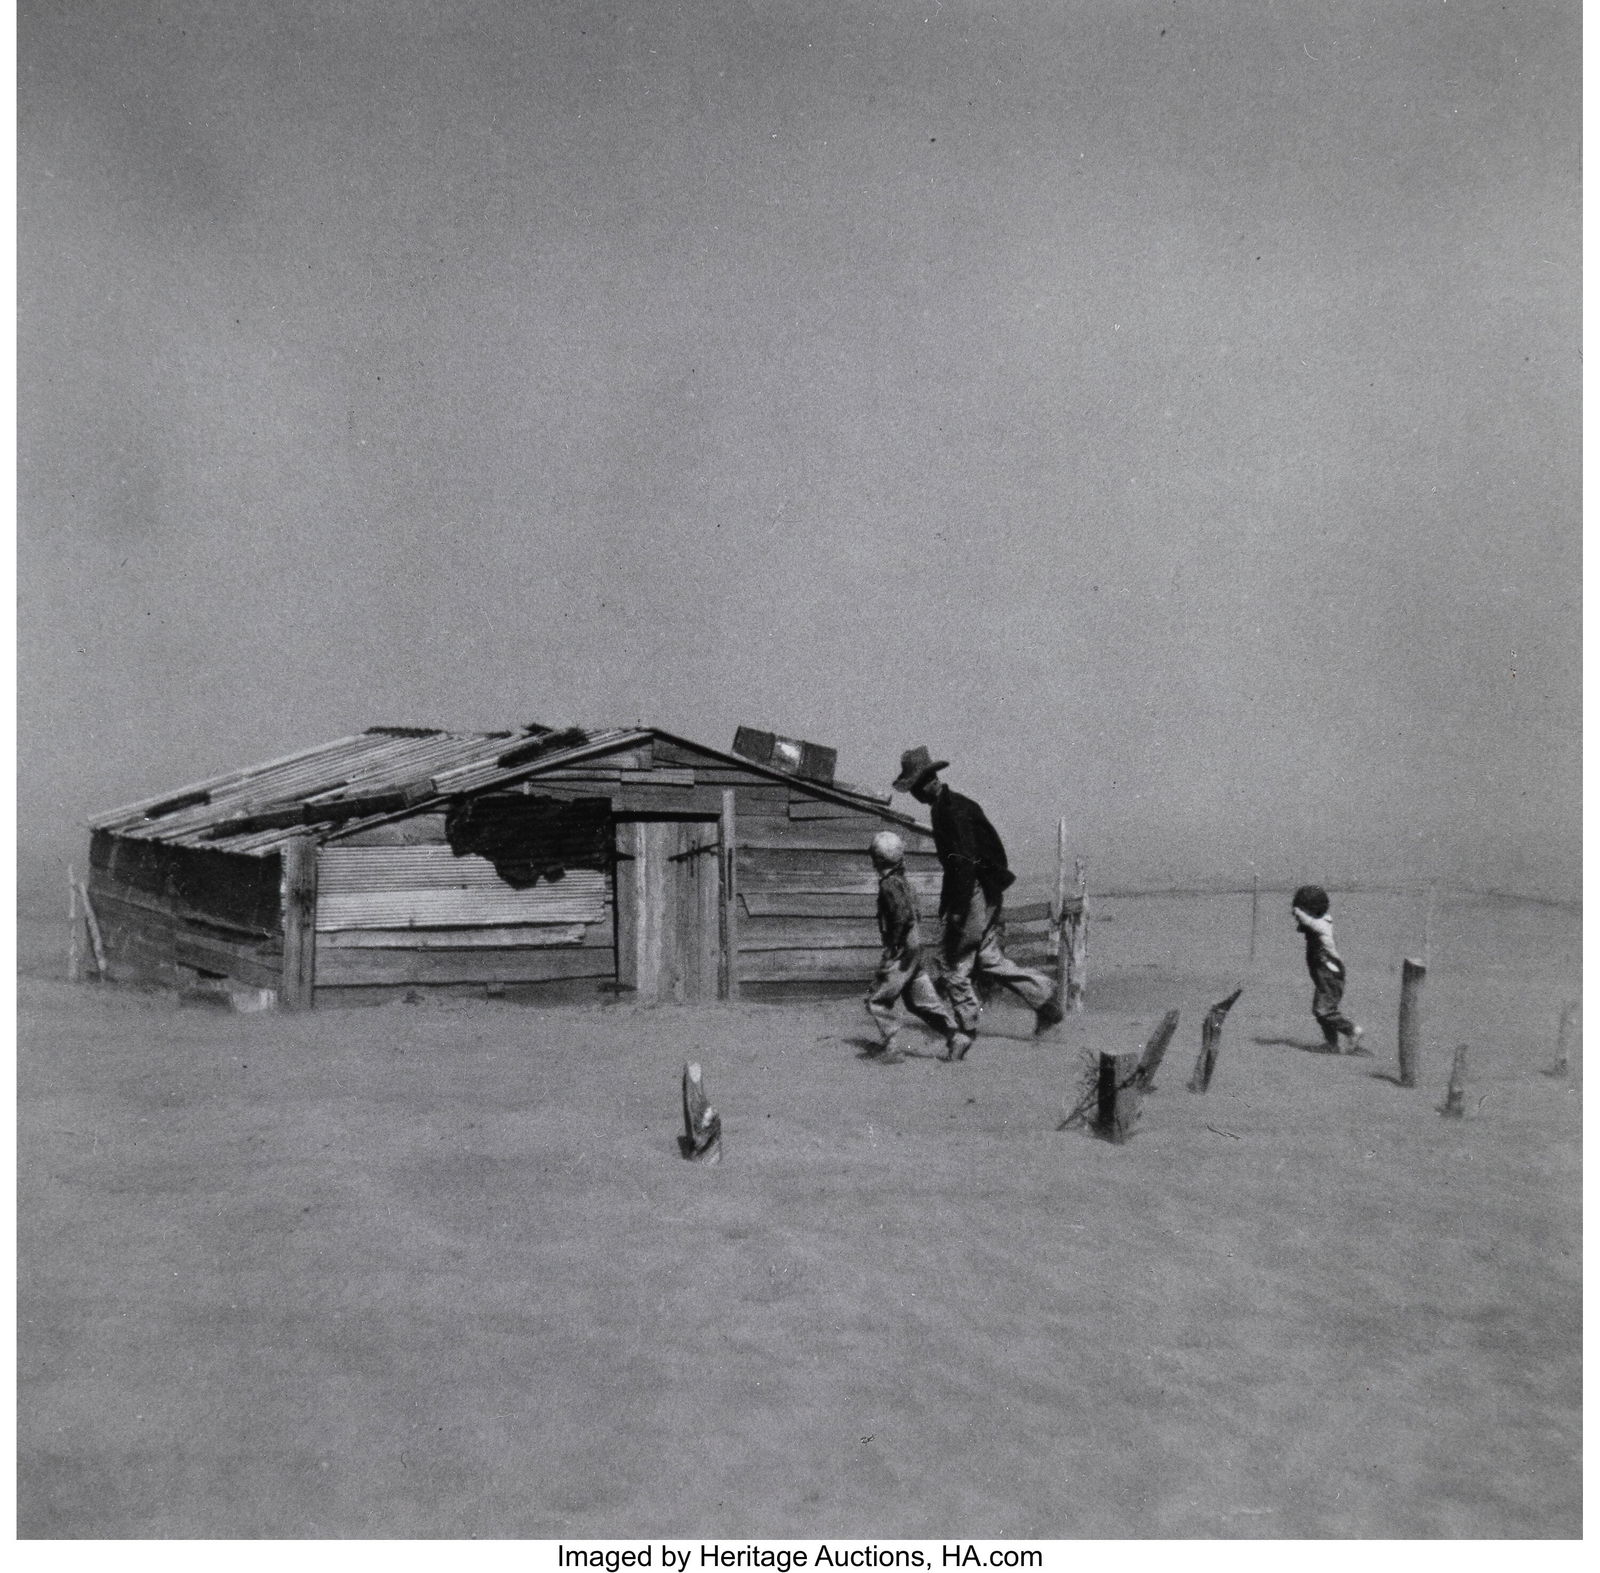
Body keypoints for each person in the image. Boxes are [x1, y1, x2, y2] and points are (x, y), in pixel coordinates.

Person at [891, 746, 1064, 1059]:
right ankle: (1045, 1000)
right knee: (988, 960)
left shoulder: (950, 810)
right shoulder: (951, 805)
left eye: (915, 787)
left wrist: (956, 912)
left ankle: (965, 1030)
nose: (915, 795)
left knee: (954, 964)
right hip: (983, 889)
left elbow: (964, 864)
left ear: (928, 781)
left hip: (974, 891)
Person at [863, 830, 966, 1059]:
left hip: (903, 950)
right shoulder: (905, 883)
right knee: (920, 1001)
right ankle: (956, 1036)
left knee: (877, 999)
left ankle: (892, 1047)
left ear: (877, 859)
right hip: (915, 947)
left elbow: (901, 917)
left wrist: (893, 947)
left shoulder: (888, 885)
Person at [1291, 884, 1366, 1054]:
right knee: (1321, 1011)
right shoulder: (1317, 921)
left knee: (1323, 1010)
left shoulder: (1322, 924)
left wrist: (1298, 910)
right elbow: (1304, 925)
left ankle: (1352, 1031)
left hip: (1330, 973)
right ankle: (1332, 1044)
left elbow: (1308, 922)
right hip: (1324, 974)